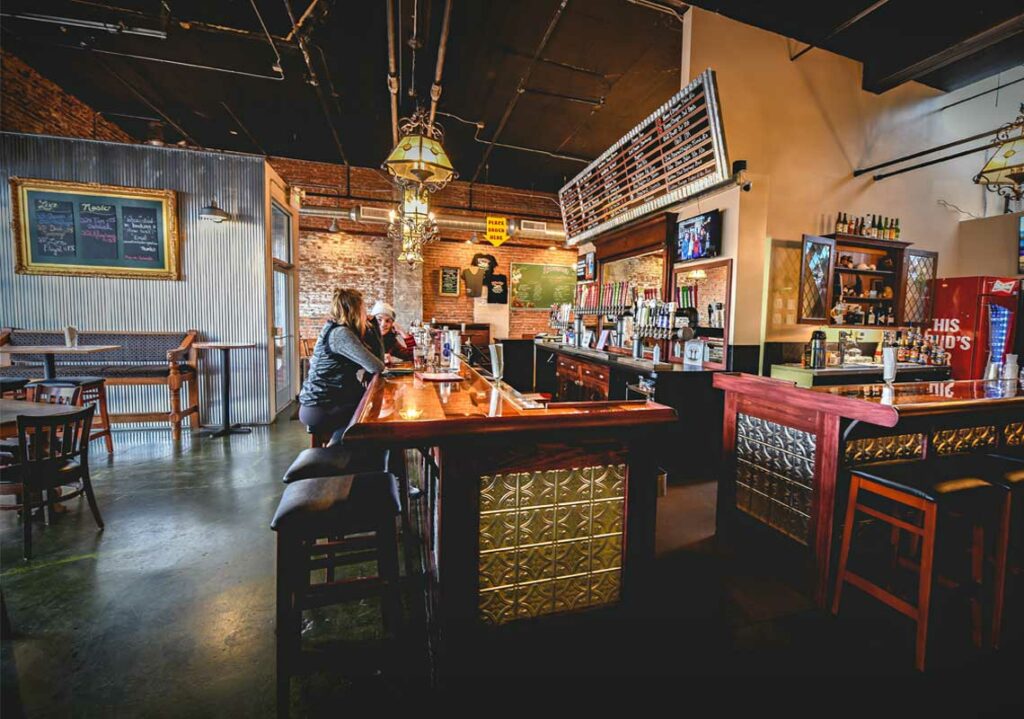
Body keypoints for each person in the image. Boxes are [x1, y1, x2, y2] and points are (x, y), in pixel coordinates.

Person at [298, 288, 385, 445]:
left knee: (370, 406)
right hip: (322, 406)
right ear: (354, 310)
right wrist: (376, 328)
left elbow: (376, 363)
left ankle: (347, 451)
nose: (366, 313)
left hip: (326, 401)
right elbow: (377, 366)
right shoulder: (341, 334)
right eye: (363, 308)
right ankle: (338, 452)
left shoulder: (339, 329)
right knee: (372, 414)